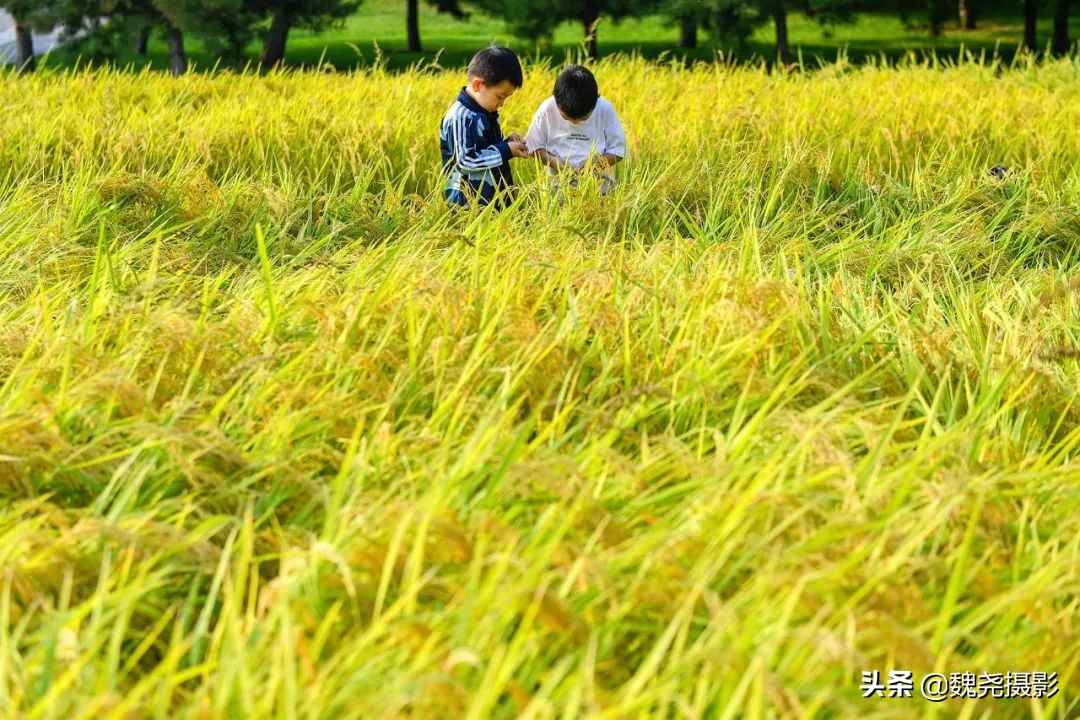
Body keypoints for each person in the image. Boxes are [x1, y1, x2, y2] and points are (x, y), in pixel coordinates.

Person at [439, 46, 529, 210]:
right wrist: (506, 150)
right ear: (477, 84)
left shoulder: (485, 112)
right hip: (467, 207)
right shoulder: (460, 117)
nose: (501, 103)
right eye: (500, 96)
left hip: (493, 201)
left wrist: (507, 143)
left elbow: (487, 149)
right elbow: (465, 161)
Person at [525, 64, 627, 195]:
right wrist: (553, 162)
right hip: (558, 185)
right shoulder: (547, 109)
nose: (574, 122)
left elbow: (619, 150)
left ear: (597, 97)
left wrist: (597, 165)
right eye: (567, 118)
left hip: (599, 186)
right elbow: (533, 146)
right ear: (555, 98)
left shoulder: (604, 109)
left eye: (583, 118)